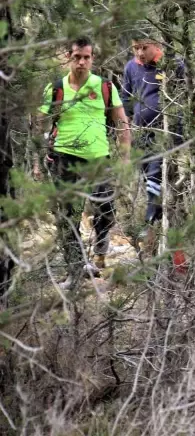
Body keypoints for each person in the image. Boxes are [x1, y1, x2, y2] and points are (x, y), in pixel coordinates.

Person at [36, 37, 131, 288]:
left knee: (106, 210)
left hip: (98, 159)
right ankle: (76, 270)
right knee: (67, 218)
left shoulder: (104, 87)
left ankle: (100, 243)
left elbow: (121, 122)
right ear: (69, 57)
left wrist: (125, 156)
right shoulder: (56, 88)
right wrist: (38, 159)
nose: (81, 62)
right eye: (77, 56)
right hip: (63, 158)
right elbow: (38, 123)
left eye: (86, 57)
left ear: (92, 59)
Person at [121, 33, 195, 253]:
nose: (139, 52)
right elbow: (125, 97)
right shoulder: (131, 67)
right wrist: (126, 125)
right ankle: (154, 223)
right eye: (135, 48)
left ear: (156, 45)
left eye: (143, 47)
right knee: (147, 171)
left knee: (158, 167)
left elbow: (189, 95)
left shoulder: (173, 64)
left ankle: (150, 216)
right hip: (142, 131)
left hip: (168, 130)